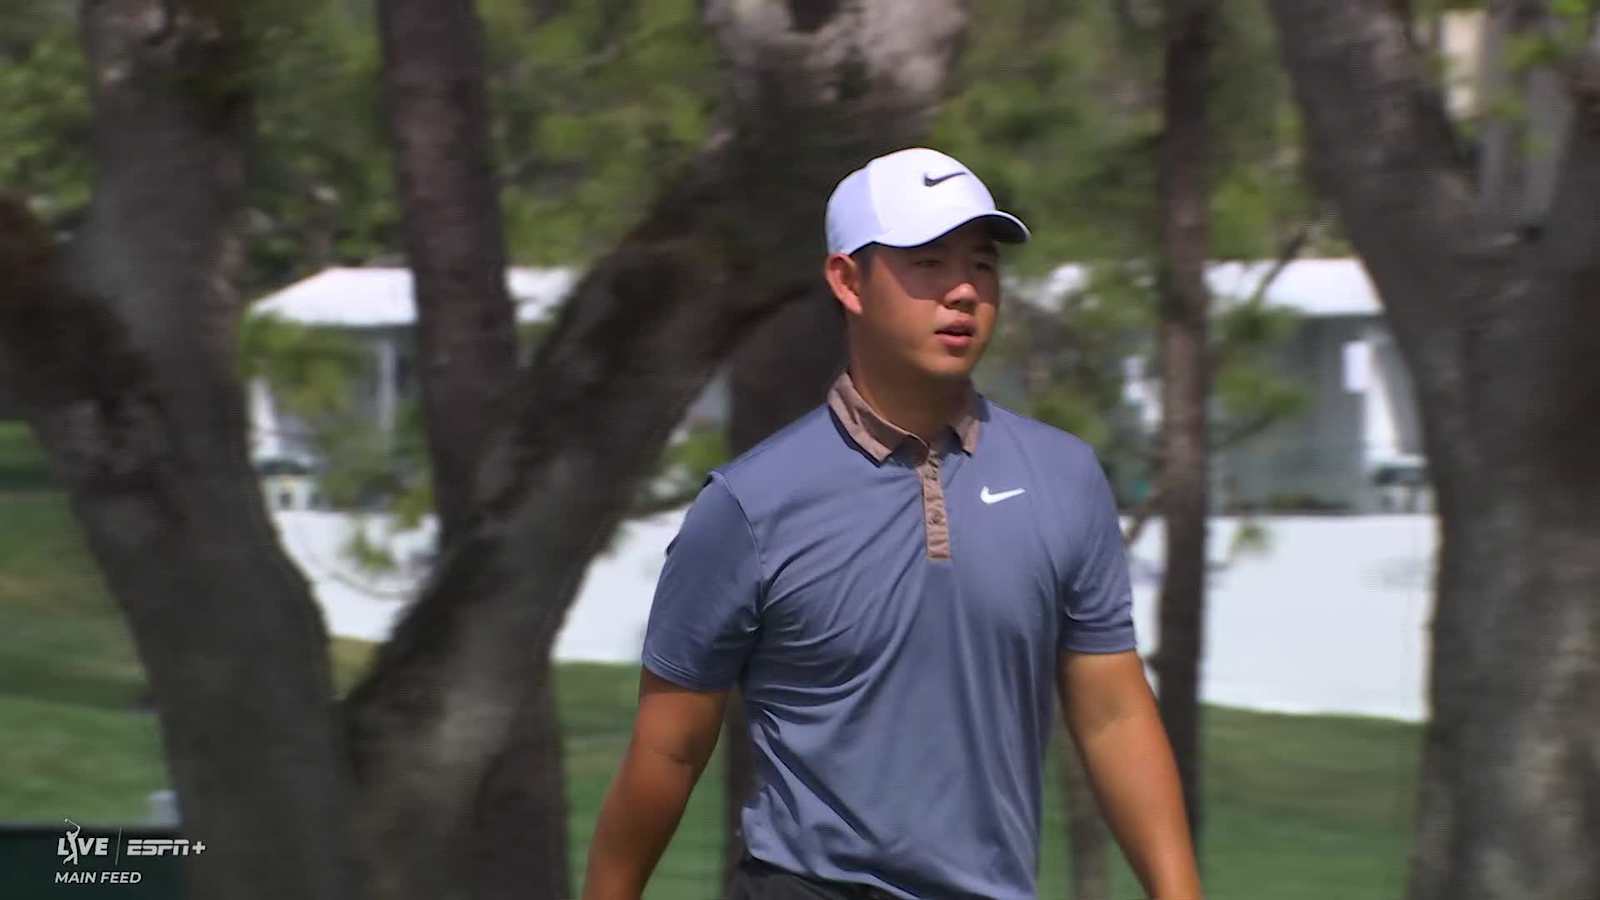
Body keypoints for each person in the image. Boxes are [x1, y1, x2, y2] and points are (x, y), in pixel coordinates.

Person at [581, 147, 1202, 900]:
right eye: (928, 264)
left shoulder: (1064, 477)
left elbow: (1112, 716)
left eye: (982, 265)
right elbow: (669, 751)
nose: (964, 291)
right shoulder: (749, 504)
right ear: (848, 281)